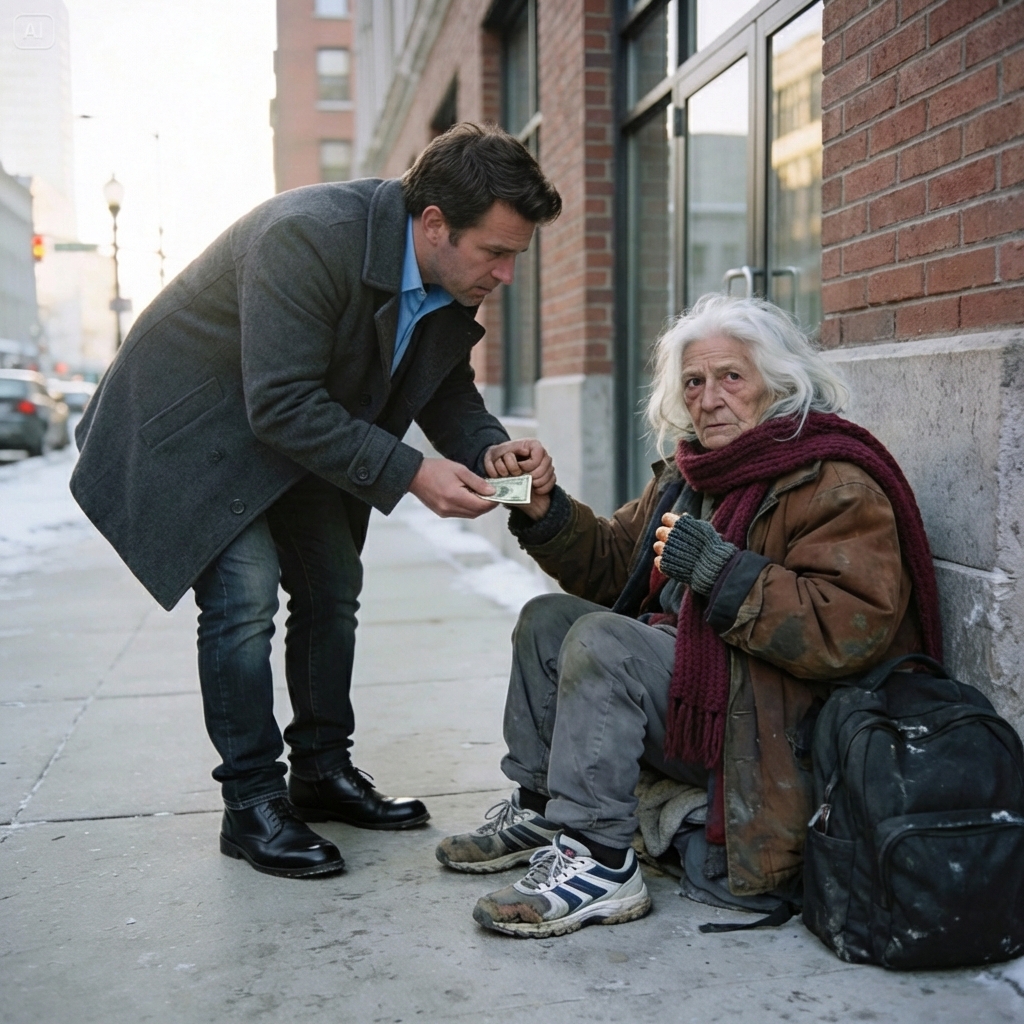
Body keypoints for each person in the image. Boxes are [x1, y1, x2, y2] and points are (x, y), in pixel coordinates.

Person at [71, 123, 561, 879]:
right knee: (244, 599)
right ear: (434, 223)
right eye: (496, 252)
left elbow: (443, 385)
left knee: (334, 587)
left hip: (282, 431)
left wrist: (489, 446)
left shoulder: (437, 273)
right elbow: (282, 402)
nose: (505, 273)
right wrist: (410, 473)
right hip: (192, 428)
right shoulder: (308, 237)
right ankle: (252, 804)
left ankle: (321, 772)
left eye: (514, 256)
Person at [436, 294, 942, 938]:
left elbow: (847, 632)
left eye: (732, 377)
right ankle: (541, 808)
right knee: (548, 619)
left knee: (606, 642)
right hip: (700, 698)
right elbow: (613, 563)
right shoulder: (691, 474)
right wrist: (545, 509)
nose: (708, 398)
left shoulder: (832, 481)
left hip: (768, 726)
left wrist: (721, 572)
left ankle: (600, 860)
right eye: (694, 382)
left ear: (780, 385)